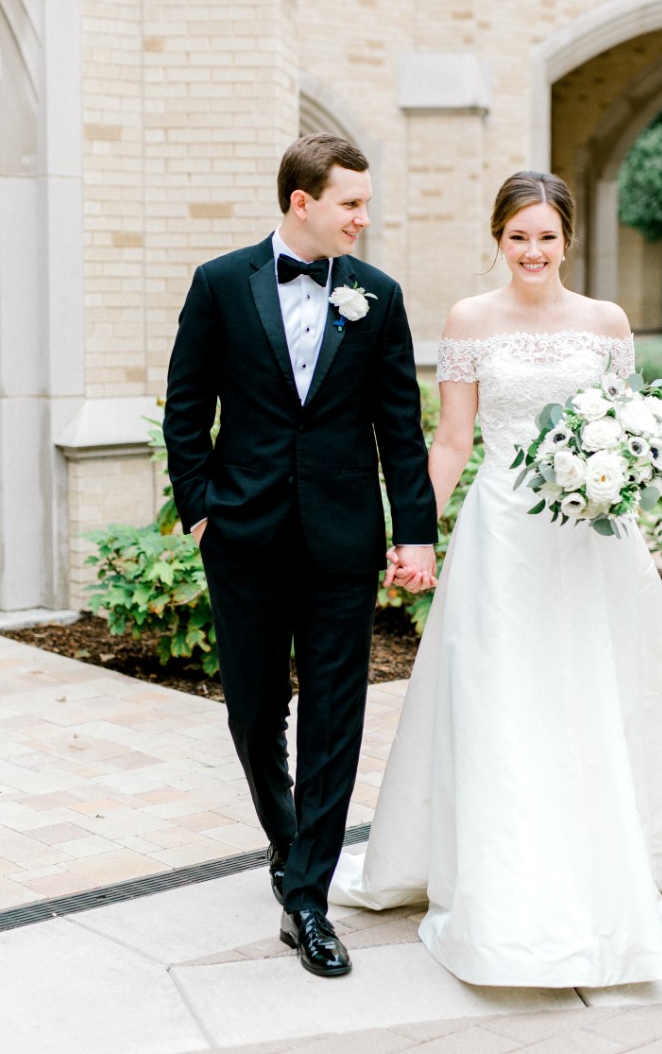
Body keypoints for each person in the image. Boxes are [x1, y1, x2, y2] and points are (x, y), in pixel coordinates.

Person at [330, 170, 662, 988]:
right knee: (502, 694)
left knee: (593, 688)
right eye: (518, 237)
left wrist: (628, 489)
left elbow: (627, 428)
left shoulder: (605, 323)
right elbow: (449, 440)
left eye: (546, 236)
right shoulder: (469, 320)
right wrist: (414, 532)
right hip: (503, 537)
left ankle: (601, 850)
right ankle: (503, 872)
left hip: (590, 542)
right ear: (498, 239)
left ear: (568, 239)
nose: (533, 251)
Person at [163, 133, 437, 978]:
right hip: (241, 535)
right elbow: (185, 405)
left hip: (342, 539)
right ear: (301, 202)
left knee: (333, 713)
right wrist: (201, 512)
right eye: (350, 203)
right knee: (253, 712)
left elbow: (400, 425)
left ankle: (309, 897)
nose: (363, 217)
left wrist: (415, 531)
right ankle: (288, 844)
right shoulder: (219, 283)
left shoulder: (377, 296)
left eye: (365, 202)